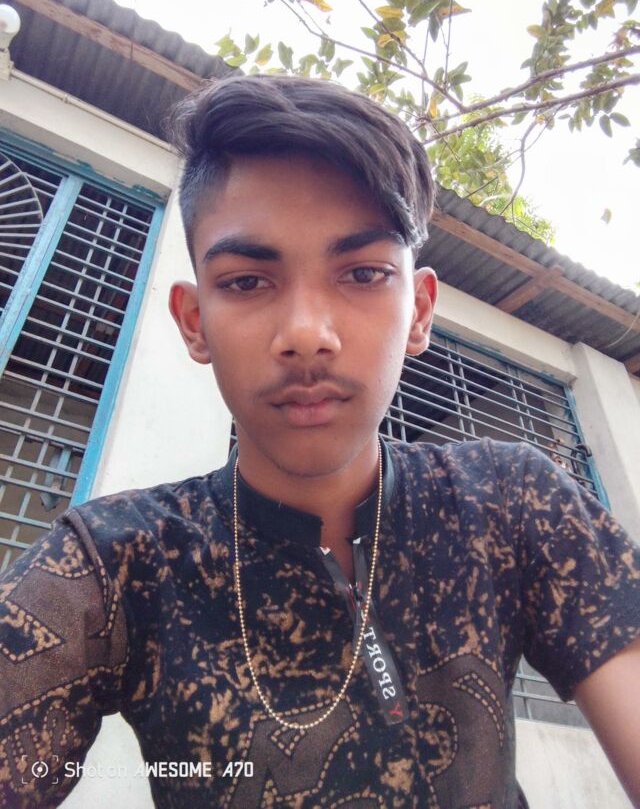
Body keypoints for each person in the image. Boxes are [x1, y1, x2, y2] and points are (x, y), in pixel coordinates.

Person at [0, 75, 639, 809]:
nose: (307, 334)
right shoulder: (117, 564)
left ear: (419, 311)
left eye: (363, 273)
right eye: (247, 282)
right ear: (195, 322)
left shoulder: (510, 499)